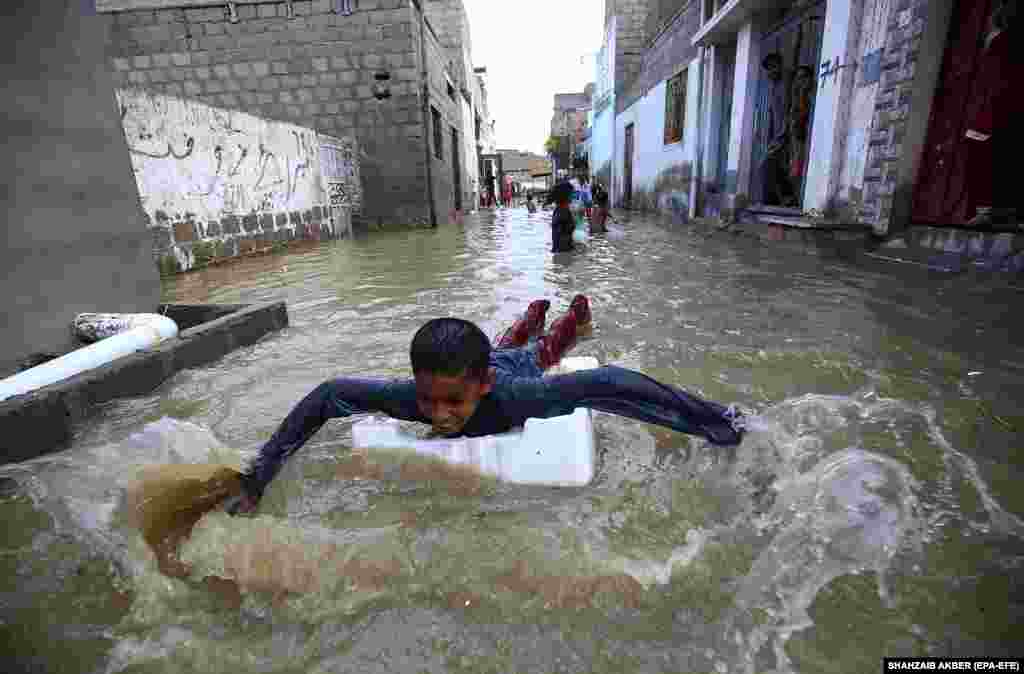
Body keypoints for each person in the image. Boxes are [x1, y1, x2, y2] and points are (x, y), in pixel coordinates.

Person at [228, 296, 745, 513]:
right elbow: (330, 393)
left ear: (481, 388)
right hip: (490, 357)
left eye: (453, 401)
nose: (439, 413)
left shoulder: (517, 397)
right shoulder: (415, 399)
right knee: (507, 340)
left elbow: (610, 384)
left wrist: (717, 422)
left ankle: (568, 323)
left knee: (539, 352)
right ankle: (531, 315)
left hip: (513, 368)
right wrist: (260, 473)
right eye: (428, 398)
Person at [963, 0, 1023, 228]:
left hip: (1005, 103)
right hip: (999, 103)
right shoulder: (999, 38)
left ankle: (997, 210)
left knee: (995, 151)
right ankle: (992, 210)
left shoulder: (1004, 39)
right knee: (984, 148)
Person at [759, 53, 797, 207]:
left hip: (787, 134)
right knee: (774, 166)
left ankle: (780, 199)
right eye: (768, 69)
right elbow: (772, 113)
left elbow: (790, 109)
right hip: (777, 136)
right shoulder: (774, 86)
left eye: (773, 67)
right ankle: (783, 198)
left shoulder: (787, 80)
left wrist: (785, 132)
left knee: (766, 165)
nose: (770, 72)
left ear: (780, 66)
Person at [545, 180, 577, 252]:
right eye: (572, 193)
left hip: (560, 253)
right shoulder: (564, 212)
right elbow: (561, 237)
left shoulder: (558, 210)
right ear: (566, 195)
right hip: (564, 253)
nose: (574, 195)